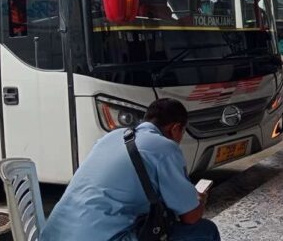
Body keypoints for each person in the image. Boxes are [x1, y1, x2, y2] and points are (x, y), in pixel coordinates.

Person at [42, 98, 220, 241]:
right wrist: (200, 200)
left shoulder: (111, 137)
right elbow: (190, 217)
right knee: (205, 231)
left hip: (53, 234)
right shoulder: (166, 148)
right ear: (175, 128)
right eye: (182, 132)